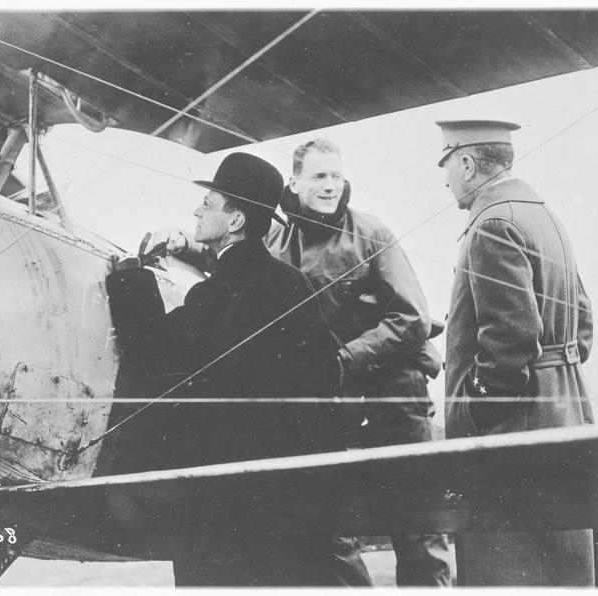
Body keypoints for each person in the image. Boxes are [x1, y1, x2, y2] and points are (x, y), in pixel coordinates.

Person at [153, 139, 451, 587]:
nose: (330, 186)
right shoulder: (278, 237)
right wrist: (182, 244)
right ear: (294, 183)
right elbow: (240, 258)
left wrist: (340, 361)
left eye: (336, 176)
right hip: (337, 402)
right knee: (329, 530)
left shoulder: (372, 232)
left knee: (416, 529)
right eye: (318, 176)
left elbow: (411, 318)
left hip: (392, 398)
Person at [105, 152, 348, 586]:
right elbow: (330, 374)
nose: (197, 210)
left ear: (235, 220)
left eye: (210, 203)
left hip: (223, 505)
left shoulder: (220, 292)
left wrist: (130, 278)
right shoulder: (293, 283)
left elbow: (152, 351)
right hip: (288, 501)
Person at [437, 119, 598, 586]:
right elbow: (583, 326)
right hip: (565, 410)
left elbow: (510, 341)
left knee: (511, 569)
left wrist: (474, 407)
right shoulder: (543, 216)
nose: (445, 177)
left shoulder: (492, 224)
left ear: (467, 163)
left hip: (515, 425)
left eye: (446, 163)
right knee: (564, 567)